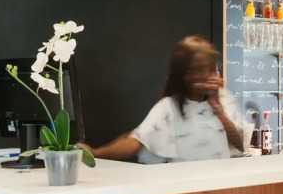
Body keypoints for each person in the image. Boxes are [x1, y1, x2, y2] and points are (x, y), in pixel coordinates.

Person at [91, 36, 244, 163]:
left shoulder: (224, 100)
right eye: (189, 70)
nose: (196, 76)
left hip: (221, 185)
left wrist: (216, 106)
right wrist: (96, 153)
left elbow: (240, 145)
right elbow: (136, 142)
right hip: (186, 185)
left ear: (212, 71)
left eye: (201, 69)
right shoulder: (169, 107)